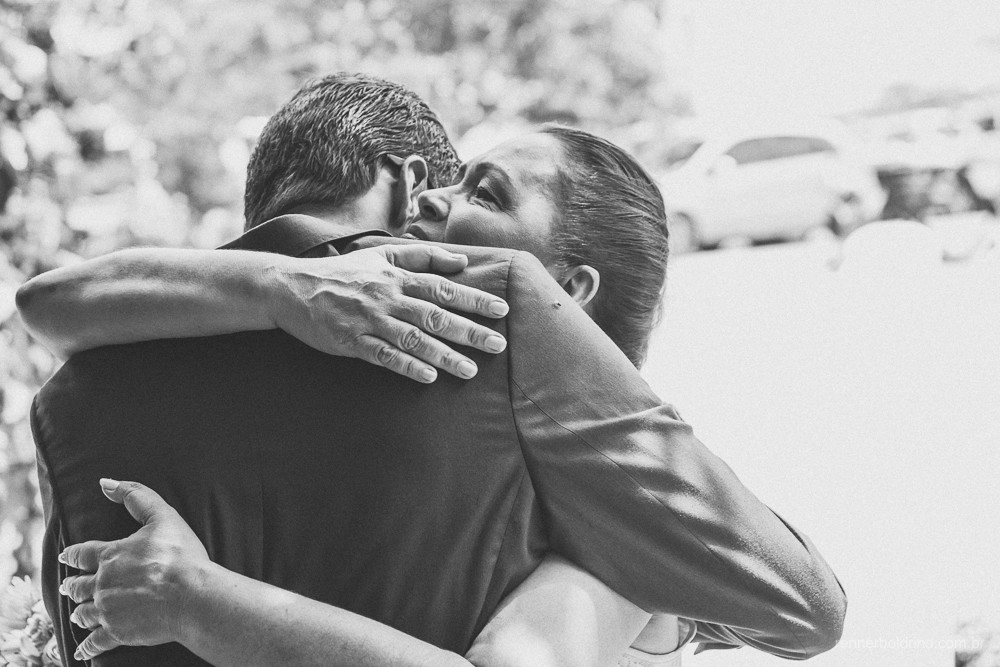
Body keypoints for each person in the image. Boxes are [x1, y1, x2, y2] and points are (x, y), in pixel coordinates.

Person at [20, 75, 845, 666]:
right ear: (403, 181)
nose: (433, 211)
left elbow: (48, 304)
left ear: (572, 289)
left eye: (485, 192)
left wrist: (200, 600)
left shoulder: (75, 392)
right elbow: (805, 605)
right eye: (447, 185)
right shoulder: (492, 334)